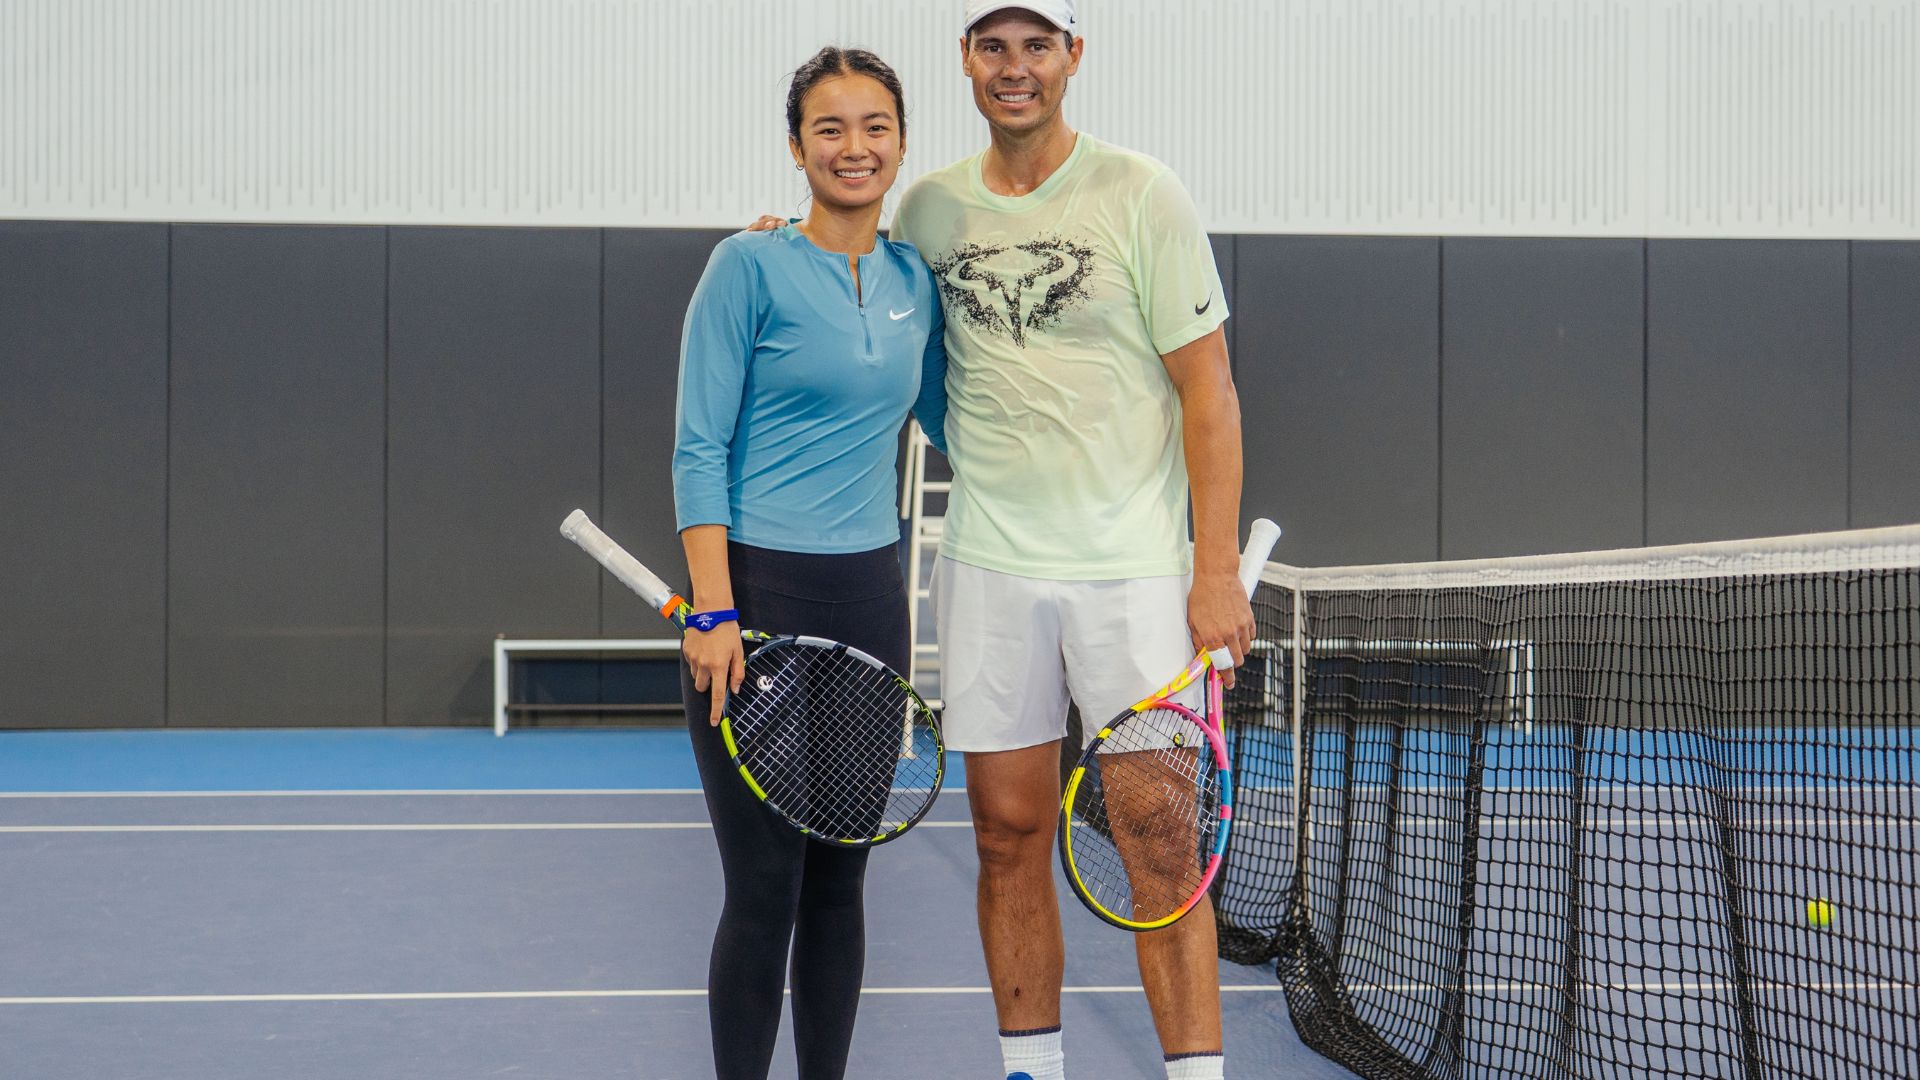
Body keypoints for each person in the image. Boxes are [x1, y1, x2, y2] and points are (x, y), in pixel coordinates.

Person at [755, 3, 1253, 1077]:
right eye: (993, 47)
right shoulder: (930, 210)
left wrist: (1213, 574)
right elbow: (857, 282)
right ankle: (1032, 1069)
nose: (1014, 68)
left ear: (1074, 57)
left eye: (1036, 46)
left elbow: (1209, 394)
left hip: (1135, 577)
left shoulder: (1143, 194)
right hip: (987, 569)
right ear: (968, 62)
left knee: (1161, 847)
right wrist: (777, 246)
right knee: (1007, 838)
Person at [673, 45, 946, 1080]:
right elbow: (698, 445)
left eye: (874, 126)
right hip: (757, 603)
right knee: (762, 886)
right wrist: (714, 609)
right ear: (797, 148)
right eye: (829, 128)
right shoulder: (745, 267)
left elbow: (958, 422)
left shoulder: (918, 281)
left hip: (870, 606)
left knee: (841, 884)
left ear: (902, 142)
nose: (854, 147)